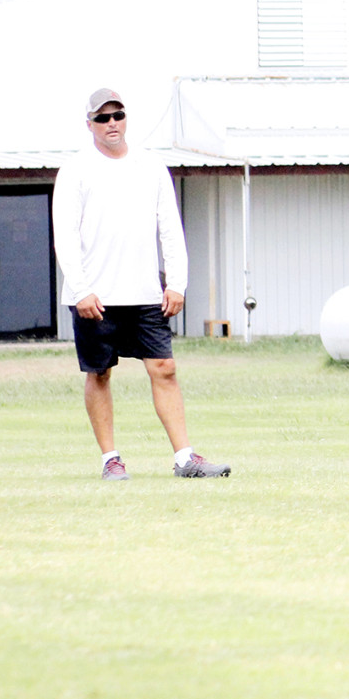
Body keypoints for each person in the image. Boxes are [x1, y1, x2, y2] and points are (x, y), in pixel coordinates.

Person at [53, 88, 229, 480]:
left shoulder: (151, 166)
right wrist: (81, 289)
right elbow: (64, 235)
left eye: (117, 115)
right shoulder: (76, 170)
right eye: (102, 118)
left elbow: (170, 228)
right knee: (99, 373)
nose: (111, 123)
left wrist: (177, 283)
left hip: (146, 293)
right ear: (90, 125)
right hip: (95, 297)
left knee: (164, 368)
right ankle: (110, 460)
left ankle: (185, 458)